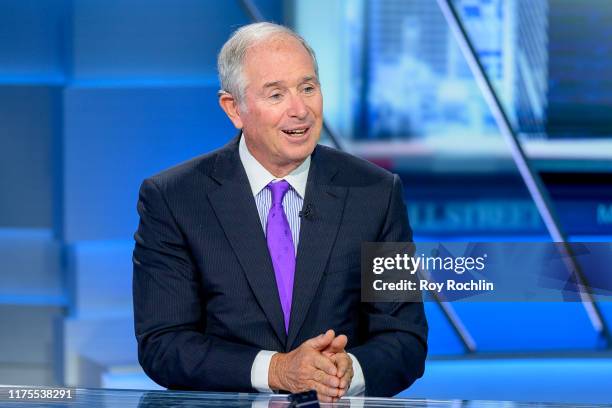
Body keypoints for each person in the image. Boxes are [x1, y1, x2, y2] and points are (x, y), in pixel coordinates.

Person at [132, 22, 427, 402]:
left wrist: (349, 369)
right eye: (276, 94)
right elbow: (164, 344)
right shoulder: (174, 199)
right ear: (233, 108)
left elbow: (405, 338)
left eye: (308, 88)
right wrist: (277, 370)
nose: (300, 110)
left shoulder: (376, 193)